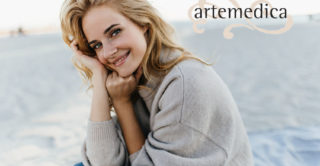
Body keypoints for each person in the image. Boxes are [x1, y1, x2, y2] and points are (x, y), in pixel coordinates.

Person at [60, 0, 254, 165]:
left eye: (115, 32)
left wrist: (122, 104)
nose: (108, 52)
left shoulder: (185, 85)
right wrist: (98, 76)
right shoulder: (130, 78)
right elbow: (102, 161)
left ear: (142, 23)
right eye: (97, 45)